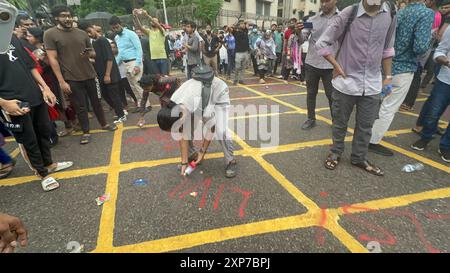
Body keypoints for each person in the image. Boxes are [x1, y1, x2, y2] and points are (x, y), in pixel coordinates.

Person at [316, 0, 397, 176]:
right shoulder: (349, 13)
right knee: (340, 123)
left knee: (366, 125)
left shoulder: (390, 13)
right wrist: (336, 65)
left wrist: (388, 77)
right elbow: (322, 43)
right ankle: (335, 152)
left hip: (373, 84)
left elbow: (388, 48)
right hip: (345, 83)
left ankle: (359, 157)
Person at [1, 34, 74, 191]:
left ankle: (49, 164)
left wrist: (45, 88)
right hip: (12, 101)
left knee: (44, 131)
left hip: (34, 94)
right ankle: (42, 174)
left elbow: (30, 65)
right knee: (28, 139)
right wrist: (3, 103)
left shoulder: (11, 37)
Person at [369, 0, 434, 157]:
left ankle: (364, 134)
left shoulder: (400, 11)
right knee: (388, 107)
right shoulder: (426, 13)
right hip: (404, 68)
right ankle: (372, 140)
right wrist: (430, 41)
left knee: (377, 102)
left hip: (386, 65)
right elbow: (420, 47)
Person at [45, 5, 117, 146]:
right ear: (56, 18)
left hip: (90, 74)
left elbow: (93, 53)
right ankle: (86, 132)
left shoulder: (82, 33)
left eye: (69, 15)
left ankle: (104, 124)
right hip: (71, 78)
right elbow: (52, 59)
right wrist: (61, 81)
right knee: (80, 107)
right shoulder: (50, 34)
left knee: (97, 102)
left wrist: (88, 53)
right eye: (63, 16)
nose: (67, 18)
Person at [157, 70, 237, 178]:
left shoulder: (201, 107)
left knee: (221, 130)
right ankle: (192, 155)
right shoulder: (173, 103)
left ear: (180, 117)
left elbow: (211, 128)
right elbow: (182, 135)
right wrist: (184, 162)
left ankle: (231, 161)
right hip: (196, 97)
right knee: (186, 129)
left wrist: (202, 152)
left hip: (218, 93)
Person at [411, 27, 450, 163]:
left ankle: (446, 145)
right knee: (433, 112)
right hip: (445, 80)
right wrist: (446, 62)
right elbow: (440, 51)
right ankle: (426, 136)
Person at [300, 0, 340, 130]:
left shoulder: (342, 18)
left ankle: (336, 121)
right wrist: (297, 32)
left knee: (332, 95)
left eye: (327, 1)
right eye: (322, 1)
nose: (323, 4)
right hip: (312, 62)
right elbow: (302, 38)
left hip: (331, 65)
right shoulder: (312, 19)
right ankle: (311, 119)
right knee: (311, 93)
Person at [79, 21, 127, 124]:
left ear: (93, 27)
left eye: (89, 31)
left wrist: (107, 75)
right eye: (85, 33)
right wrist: (87, 57)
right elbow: (98, 59)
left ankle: (121, 115)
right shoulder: (94, 42)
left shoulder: (103, 40)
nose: (89, 34)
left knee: (113, 95)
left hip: (109, 73)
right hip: (101, 74)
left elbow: (109, 58)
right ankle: (121, 111)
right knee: (106, 95)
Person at [109, 16, 145, 112]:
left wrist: (137, 64)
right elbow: (120, 53)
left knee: (137, 84)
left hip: (134, 62)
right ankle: (139, 105)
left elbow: (139, 49)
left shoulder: (131, 34)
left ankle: (146, 105)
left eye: (117, 27)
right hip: (125, 64)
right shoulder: (117, 38)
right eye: (113, 28)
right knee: (132, 86)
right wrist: (115, 64)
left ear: (121, 24)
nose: (116, 29)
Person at [132, 9, 169, 76]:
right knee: (157, 78)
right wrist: (135, 16)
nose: (153, 22)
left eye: (155, 21)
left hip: (162, 57)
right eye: (152, 21)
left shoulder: (162, 31)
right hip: (153, 58)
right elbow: (140, 27)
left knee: (165, 77)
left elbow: (158, 25)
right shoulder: (150, 32)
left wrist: (147, 15)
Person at [233, 20, 250, 85]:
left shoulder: (245, 31)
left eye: (243, 24)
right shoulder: (235, 32)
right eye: (242, 24)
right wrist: (236, 24)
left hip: (245, 52)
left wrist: (246, 23)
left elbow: (248, 24)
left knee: (243, 67)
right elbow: (230, 27)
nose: (243, 25)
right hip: (238, 52)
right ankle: (235, 79)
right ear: (239, 25)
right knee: (237, 67)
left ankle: (241, 79)